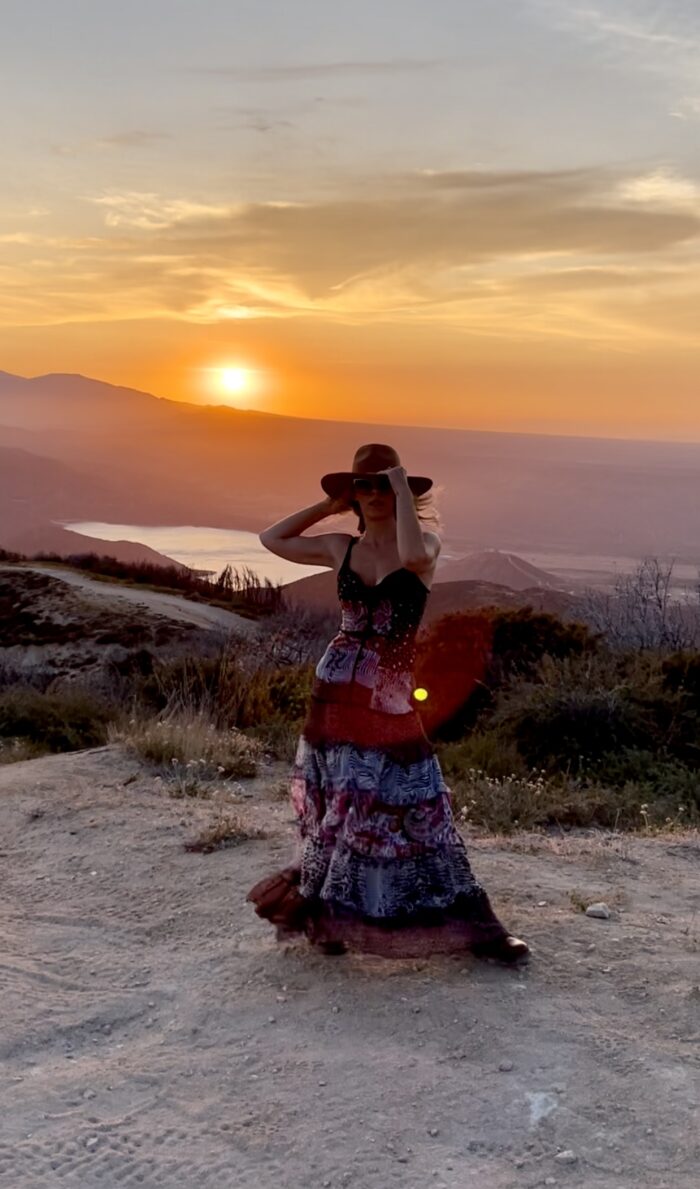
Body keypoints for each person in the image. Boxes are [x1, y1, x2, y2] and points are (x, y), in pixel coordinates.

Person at [247, 443, 529, 963]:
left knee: (419, 805)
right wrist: (328, 506)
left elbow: (415, 559)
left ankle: (476, 931)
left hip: (390, 695)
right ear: (353, 494)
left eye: (383, 484)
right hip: (335, 687)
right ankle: (329, 919)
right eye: (364, 486)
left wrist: (401, 486)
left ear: (400, 488)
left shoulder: (424, 543)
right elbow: (272, 539)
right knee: (338, 808)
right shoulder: (341, 548)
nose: (373, 494)